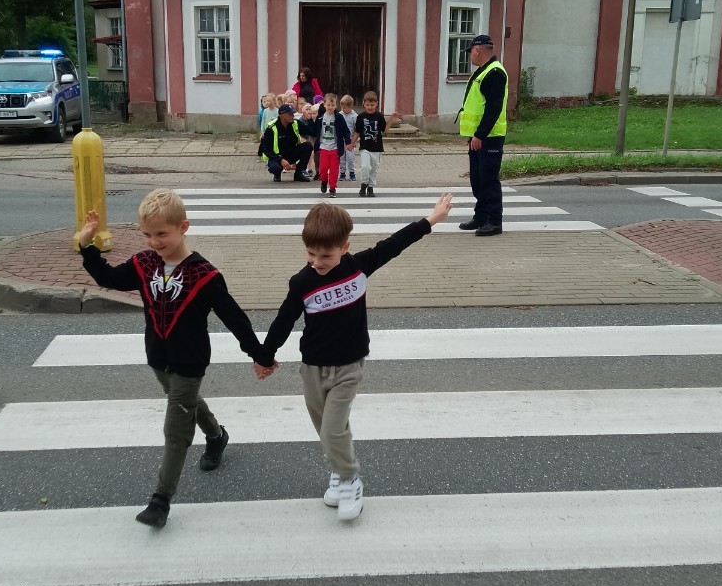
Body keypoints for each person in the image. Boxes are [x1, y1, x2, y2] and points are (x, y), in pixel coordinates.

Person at [77, 188, 271, 529]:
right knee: (186, 400)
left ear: (183, 227)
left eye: (162, 234)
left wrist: (259, 354)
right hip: (158, 357)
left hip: (190, 361)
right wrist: (87, 246)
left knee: (176, 427)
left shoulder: (204, 275)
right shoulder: (144, 264)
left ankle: (160, 500)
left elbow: (234, 318)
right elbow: (109, 278)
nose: (154, 242)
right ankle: (217, 436)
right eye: (147, 235)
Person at [254, 194, 453, 521]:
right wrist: (265, 357)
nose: (317, 262)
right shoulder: (302, 283)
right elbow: (283, 321)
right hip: (312, 369)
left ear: (344, 247)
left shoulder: (358, 267)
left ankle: (350, 480)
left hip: (348, 366)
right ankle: (339, 470)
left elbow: (395, 243)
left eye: (326, 255)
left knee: (333, 431)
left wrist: (432, 219)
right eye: (311, 253)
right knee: (327, 430)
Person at [457, 34, 508, 236]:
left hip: (489, 138)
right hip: (478, 137)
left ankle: (494, 222)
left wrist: (480, 134)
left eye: (470, 51)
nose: (470, 55)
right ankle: (481, 217)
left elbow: (493, 109)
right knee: (478, 180)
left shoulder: (494, 73)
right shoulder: (483, 71)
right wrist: (475, 135)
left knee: (489, 180)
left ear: (477, 50)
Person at [351, 90, 398, 198]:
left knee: (374, 169)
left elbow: (384, 130)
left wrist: (391, 119)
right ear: (364, 104)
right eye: (367, 105)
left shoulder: (379, 116)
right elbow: (357, 132)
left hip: (377, 147)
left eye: (372, 105)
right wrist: (352, 143)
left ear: (376, 104)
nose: (370, 107)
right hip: (365, 147)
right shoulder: (360, 117)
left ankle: (371, 187)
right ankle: (364, 184)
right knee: (365, 167)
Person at [262, 104, 314, 182]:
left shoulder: (295, 123)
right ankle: (277, 175)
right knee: (275, 168)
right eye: (290, 114)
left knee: (308, 146)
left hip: (291, 153)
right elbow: (266, 150)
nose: (293, 116)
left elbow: (312, 132)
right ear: (282, 115)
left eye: (293, 113)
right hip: (277, 157)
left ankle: (299, 174)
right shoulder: (271, 128)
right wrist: (281, 160)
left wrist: (309, 119)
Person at [315, 92, 351, 197]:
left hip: (335, 147)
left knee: (334, 170)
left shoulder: (339, 117)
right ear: (324, 105)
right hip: (323, 147)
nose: (330, 107)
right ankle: (324, 181)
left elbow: (346, 131)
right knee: (323, 168)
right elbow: (315, 130)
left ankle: (332, 188)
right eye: (328, 105)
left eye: (333, 105)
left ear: (336, 105)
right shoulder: (320, 117)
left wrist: (348, 142)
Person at [338, 95, 357, 182]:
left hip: (350, 141)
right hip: (341, 140)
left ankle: (352, 173)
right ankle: (342, 173)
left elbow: (356, 130)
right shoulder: (340, 114)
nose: (343, 109)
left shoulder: (354, 116)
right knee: (341, 158)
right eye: (342, 107)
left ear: (350, 107)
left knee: (350, 158)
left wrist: (354, 141)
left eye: (345, 108)